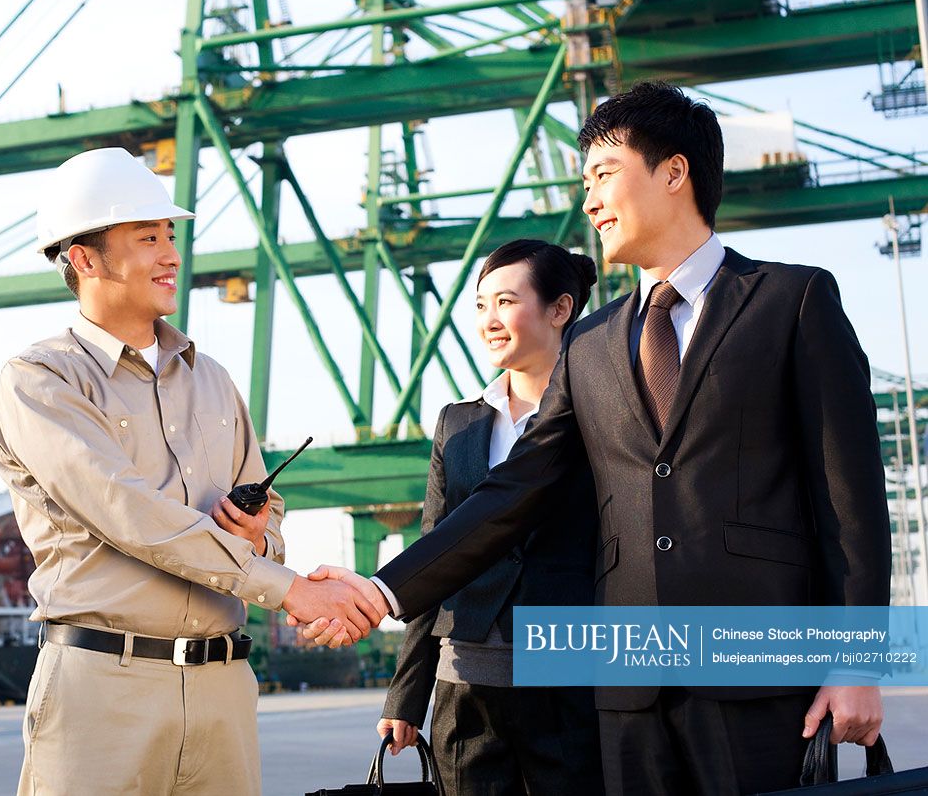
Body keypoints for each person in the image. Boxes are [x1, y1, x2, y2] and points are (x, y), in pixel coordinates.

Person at [307, 83, 890, 795]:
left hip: (761, 679)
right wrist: (380, 588)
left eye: (603, 175)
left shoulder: (790, 300)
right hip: (626, 694)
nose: (588, 200)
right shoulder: (588, 345)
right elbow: (511, 492)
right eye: (585, 182)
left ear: (673, 173)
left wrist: (855, 662)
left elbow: (850, 502)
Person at [0, 147, 384, 796]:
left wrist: (257, 536)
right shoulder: (41, 380)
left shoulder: (215, 382)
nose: (171, 254)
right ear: (84, 259)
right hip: (102, 689)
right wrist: (289, 588)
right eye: (148, 237)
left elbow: (270, 522)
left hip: (222, 690)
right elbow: (126, 511)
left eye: (171, 235)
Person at [378, 240, 605, 795]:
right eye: (480, 306)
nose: (489, 320)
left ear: (560, 309)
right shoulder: (456, 424)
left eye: (505, 302)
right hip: (466, 687)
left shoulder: (604, 412)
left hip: (570, 679)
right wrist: (407, 693)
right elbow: (437, 550)